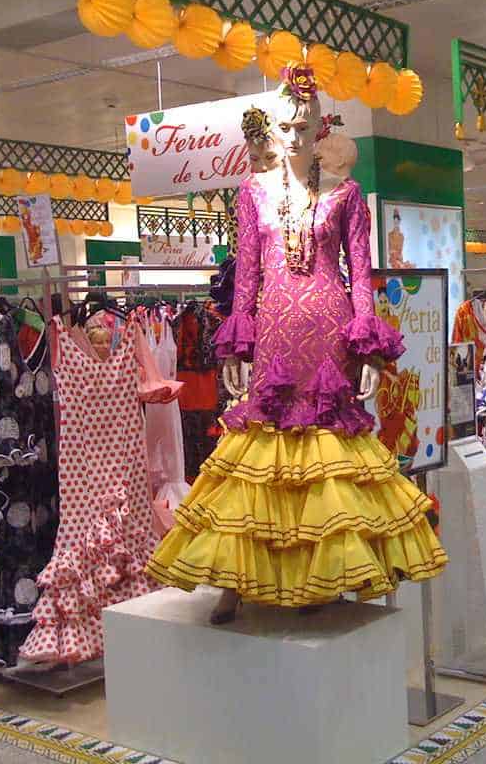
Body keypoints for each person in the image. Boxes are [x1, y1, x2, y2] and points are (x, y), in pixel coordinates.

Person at [146, 66, 448, 624]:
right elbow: (247, 277)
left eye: (303, 126)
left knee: (327, 447)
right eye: (285, 125)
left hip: (331, 331)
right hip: (276, 329)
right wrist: (236, 345)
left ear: (318, 131)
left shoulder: (347, 195)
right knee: (260, 447)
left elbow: (361, 273)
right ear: (275, 129)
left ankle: (322, 572)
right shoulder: (252, 193)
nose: (293, 135)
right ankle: (236, 579)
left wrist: (371, 351)